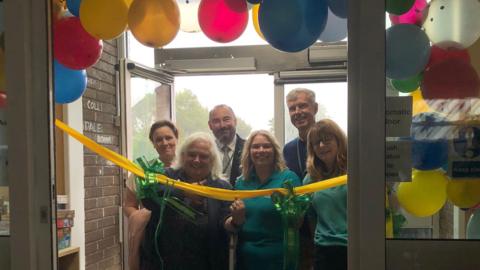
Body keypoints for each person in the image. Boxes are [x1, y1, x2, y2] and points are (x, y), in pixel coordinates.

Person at [140, 132, 232, 270]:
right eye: (192, 154)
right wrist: (183, 192)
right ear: (183, 156)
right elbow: (148, 198)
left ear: (212, 160)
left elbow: (226, 222)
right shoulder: (166, 176)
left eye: (203, 156)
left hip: (208, 262)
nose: (196, 160)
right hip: (165, 262)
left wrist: (235, 220)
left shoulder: (223, 187)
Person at [225, 130, 301, 270]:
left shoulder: (288, 179)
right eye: (255, 146)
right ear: (249, 152)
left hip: (280, 259)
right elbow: (235, 223)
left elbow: (298, 222)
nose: (261, 150)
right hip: (246, 259)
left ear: (275, 151)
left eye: (266, 146)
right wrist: (236, 219)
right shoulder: (241, 183)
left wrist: (289, 211)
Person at [123, 120, 179, 270]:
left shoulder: (190, 168)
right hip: (152, 240)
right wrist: (139, 216)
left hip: (184, 238)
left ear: (176, 138)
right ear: (153, 143)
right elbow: (129, 205)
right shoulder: (142, 172)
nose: (164, 142)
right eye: (159, 139)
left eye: (169, 137)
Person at [304, 119, 347, 270]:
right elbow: (311, 216)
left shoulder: (355, 171)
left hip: (353, 247)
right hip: (322, 250)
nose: (322, 146)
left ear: (339, 141)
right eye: (316, 143)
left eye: (327, 140)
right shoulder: (310, 179)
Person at [283, 88, 318, 179]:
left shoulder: (332, 143)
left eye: (302, 106)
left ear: (315, 108)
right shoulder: (288, 149)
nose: (297, 112)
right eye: (292, 109)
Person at [208, 104, 245, 186]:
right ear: (210, 126)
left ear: (235, 121)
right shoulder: (205, 151)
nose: (222, 125)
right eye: (216, 121)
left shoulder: (249, 149)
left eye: (226, 119)